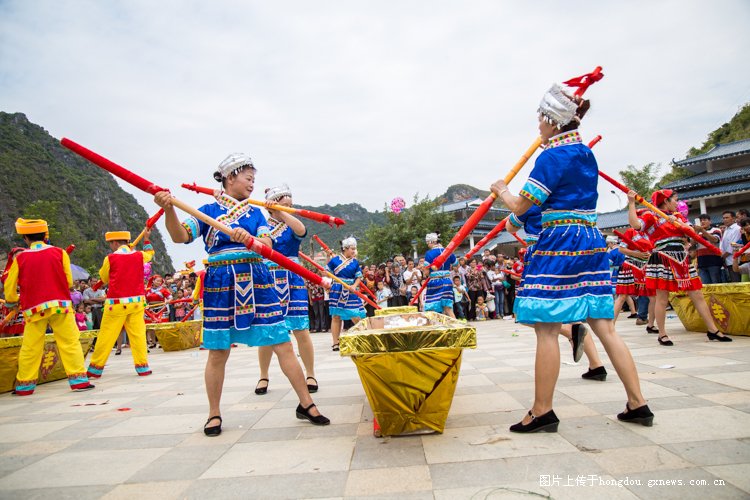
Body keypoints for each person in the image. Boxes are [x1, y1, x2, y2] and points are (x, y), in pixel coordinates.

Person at [491, 82, 652, 432]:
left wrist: (502, 190)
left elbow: (521, 206)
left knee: (547, 329)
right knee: (605, 326)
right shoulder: (585, 154)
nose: (538, 126)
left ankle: (542, 410)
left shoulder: (551, 156)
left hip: (561, 240)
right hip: (591, 239)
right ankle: (638, 403)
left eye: (540, 119)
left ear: (552, 120)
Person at [155, 152, 329, 435]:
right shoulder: (208, 211)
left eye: (253, 180)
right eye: (248, 179)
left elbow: (267, 240)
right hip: (221, 283)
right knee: (218, 351)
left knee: (282, 342)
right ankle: (214, 413)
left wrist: (251, 240)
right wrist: (168, 209)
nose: (251, 185)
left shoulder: (256, 213)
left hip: (258, 279)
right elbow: (179, 236)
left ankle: (306, 404)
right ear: (230, 177)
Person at [627, 189, 732, 344]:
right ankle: (662, 334)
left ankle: (713, 330)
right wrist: (631, 202)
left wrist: (679, 223)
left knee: (697, 293)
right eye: (675, 199)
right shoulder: (651, 215)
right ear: (666, 201)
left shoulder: (677, 216)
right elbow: (635, 224)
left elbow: (690, 231)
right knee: (662, 297)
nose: (677, 202)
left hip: (682, 257)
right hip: (662, 256)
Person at [3, 218, 94, 395]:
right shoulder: (60, 253)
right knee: (69, 342)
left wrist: (13, 301)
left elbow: (10, 285)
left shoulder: (21, 258)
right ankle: (79, 380)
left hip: (33, 308)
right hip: (60, 305)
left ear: (26, 239)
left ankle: (24, 385)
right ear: (45, 236)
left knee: (31, 346)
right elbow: (68, 282)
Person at [255, 184, 318, 396]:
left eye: (291, 204)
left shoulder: (291, 224)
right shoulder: (261, 224)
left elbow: (302, 230)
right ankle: (263, 375)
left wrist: (284, 212)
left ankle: (310, 373)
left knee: (301, 328)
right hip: (268, 278)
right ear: (271, 205)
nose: (290, 207)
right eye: (285, 204)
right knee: (268, 330)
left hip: (292, 277)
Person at [86, 230, 155, 379]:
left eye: (110, 243)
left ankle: (95, 368)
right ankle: (142, 366)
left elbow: (104, 277)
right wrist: (147, 239)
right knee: (137, 335)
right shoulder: (139, 255)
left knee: (107, 335)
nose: (110, 246)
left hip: (116, 303)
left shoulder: (110, 258)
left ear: (115, 243)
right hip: (136, 302)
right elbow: (150, 254)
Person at [325, 237, 365, 351]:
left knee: (355, 315)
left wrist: (354, 286)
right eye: (352, 249)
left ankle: (362, 338)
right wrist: (328, 257)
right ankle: (335, 342)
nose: (354, 251)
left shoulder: (355, 262)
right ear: (345, 248)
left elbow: (358, 277)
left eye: (355, 249)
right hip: (337, 289)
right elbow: (327, 273)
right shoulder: (335, 260)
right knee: (336, 316)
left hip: (350, 290)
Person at [422, 233, 457, 317]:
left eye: (428, 243)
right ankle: (456, 327)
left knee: (432, 307)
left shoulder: (429, 254)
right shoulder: (448, 251)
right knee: (448, 308)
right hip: (447, 281)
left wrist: (423, 269)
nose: (428, 245)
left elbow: (426, 272)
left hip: (435, 281)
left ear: (432, 242)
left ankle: (436, 327)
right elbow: (456, 264)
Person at [694, 214, 723, 285]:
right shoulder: (697, 232)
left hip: (714, 261)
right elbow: (692, 244)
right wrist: (696, 232)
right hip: (701, 262)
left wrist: (702, 231)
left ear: (710, 221)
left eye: (705, 220)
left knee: (716, 284)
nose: (702, 222)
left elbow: (715, 240)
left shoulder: (716, 230)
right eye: (701, 220)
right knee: (705, 286)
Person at [720, 210, 741, 282]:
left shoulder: (737, 229)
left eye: (727, 218)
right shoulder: (726, 229)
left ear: (733, 218)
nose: (725, 220)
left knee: (737, 282)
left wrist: (723, 256)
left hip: (735, 261)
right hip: (727, 261)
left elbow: (733, 246)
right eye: (723, 218)